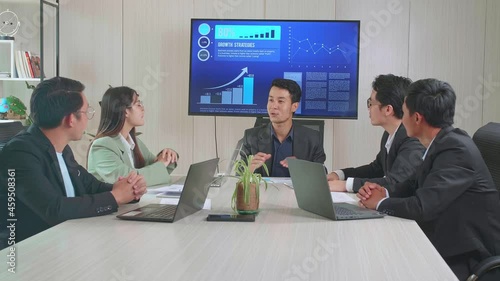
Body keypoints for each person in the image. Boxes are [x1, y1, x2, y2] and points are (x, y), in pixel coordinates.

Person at [357, 78, 500, 280]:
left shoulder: (455, 150)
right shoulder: (441, 143)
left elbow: (422, 207)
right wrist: (384, 192)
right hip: (445, 238)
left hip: (466, 256)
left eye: (404, 112)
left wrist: (380, 203)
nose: (401, 118)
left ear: (417, 118)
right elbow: (411, 185)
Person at [0, 77, 147, 247]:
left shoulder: (62, 149)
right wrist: (115, 197)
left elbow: (92, 186)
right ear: (71, 119)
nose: (88, 118)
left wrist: (130, 191)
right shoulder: (20, 152)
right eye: (86, 112)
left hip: (66, 241)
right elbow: (54, 209)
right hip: (28, 253)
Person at [328, 74, 425, 192]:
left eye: (371, 103)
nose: (368, 108)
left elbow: (395, 181)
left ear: (388, 109)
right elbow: (376, 169)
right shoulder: (390, 134)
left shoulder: (412, 139)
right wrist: (340, 174)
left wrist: (346, 185)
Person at [87, 86, 178, 186]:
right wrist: (161, 164)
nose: (143, 109)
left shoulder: (135, 142)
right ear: (125, 111)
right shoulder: (102, 146)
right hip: (112, 202)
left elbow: (155, 171)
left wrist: (168, 156)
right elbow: (128, 180)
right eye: (138, 104)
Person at [240, 78, 326, 177]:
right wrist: (248, 170)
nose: (273, 106)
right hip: (264, 192)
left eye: (280, 101)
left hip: (296, 192)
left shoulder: (313, 138)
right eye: (271, 100)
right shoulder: (251, 137)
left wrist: (302, 167)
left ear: (294, 106)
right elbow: (237, 177)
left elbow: (322, 175)